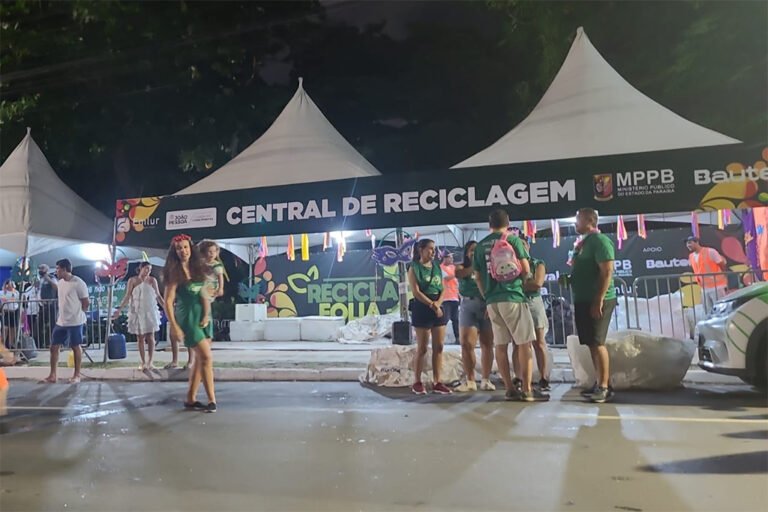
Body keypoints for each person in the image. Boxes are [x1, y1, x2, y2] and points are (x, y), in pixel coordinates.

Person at [473, 209, 547, 402]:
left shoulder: (480, 246)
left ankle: (509, 388)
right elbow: (526, 268)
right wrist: (523, 283)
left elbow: (477, 277)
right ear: (507, 223)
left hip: (492, 301)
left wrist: (487, 296)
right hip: (513, 296)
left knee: (500, 345)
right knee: (524, 343)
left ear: (489, 224)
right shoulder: (513, 240)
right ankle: (527, 389)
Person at [163, 234, 217, 412]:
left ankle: (190, 399)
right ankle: (212, 400)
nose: (183, 251)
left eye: (185, 247)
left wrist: (207, 314)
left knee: (200, 360)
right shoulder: (174, 272)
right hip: (188, 317)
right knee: (206, 357)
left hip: (204, 315)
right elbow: (168, 301)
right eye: (179, 248)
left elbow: (206, 292)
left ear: (191, 248)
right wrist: (174, 326)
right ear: (175, 252)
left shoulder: (197, 268)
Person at [568, 208, 617, 404]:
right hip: (583, 298)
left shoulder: (600, 241)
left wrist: (599, 299)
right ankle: (600, 382)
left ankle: (604, 387)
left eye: (578, 219)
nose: (575, 223)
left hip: (597, 299)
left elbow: (607, 271)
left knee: (597, 342)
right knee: (591, 343)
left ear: (589, 221)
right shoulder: (583, 243)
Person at [408, 238, 452, 395]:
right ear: (421, 250)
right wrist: (432, 305)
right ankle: (417, 381)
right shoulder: (414, 268)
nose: (433, 252)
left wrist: (438, 304)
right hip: (423, 307)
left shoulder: (437, 267)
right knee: (422, 348)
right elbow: (416, 292)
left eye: (434, 249)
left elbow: (443, 288)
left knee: (438, 346)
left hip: (438, 307)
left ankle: (437, 381)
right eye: (430, 249)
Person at [454, 241, 495, 392]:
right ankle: (470, 380)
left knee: (487, 343)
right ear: (466, 253)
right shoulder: (461, 267)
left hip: (486, 305)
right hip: (468, 305)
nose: (474, 253)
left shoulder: (489, 267)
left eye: (477, 250)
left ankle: (486, 379)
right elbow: (459, 274)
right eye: (471, 250)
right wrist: (475, 265)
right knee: (466, 344)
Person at [41, 259, 89, 384]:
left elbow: (86, 302)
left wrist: (78, 313)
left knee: (75, 346)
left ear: (64, 269)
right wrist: (46, 277)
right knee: (54, 347)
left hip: (75, 321)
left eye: (57, 268)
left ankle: (77, 375)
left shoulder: (78, 283)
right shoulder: (61, 282)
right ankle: (52, 375)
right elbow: (57, 290)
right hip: (61, 321)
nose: (56, 271)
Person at [114, 262, 164, 371]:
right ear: (141, 268)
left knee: (150, 337)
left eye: (150, 270)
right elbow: (127, 296)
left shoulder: (152, 280)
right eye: (146, 269)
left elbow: (158, 296)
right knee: (140, 337)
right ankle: (143, 362)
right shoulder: (132, 280)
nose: (148, 271)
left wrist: (166, 307)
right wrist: (119, 309)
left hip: (149, 310)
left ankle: (150, 361)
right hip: (137, 311)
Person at [521, 235, 551, 391]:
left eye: (524, 244)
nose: (521, 247)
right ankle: (521, 378)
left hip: (534, 303)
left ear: (528, 246)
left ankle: (543, 377)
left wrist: (518, 285)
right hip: (518, 303)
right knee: (520, 343)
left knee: (539, 342)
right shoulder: (513, 265)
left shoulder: (537, 263)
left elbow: (537, 284)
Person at [686, 236, 728, 313]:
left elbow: (721, 264)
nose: (688, 245)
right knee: (708, 311)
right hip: (704, 288)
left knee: (721, 309)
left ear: (697, 242)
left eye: (690, 243)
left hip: (716, 286)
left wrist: (722, 275)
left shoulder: (710, 251)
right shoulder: (691, 256)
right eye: (687, 243)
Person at [439, 252, 460, 344]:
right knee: (445, 319)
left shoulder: (453, 268)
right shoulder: (440, 268)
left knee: (456, 319)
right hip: (446, 298)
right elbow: (447, 278)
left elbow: (457, 282)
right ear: (445, 258)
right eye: (450, 257)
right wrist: (457, 273)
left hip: (454, 297)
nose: (452, 259)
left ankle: (458, 338)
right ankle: (440, 338)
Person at [37, 264, 58, 347]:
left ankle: (53, 342)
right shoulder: (40, 279)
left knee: (52, 324)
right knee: (40, 324)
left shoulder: (52, 277)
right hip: (42, 305)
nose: (40, 270)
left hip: (51, 304)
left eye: (42, 268)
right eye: (39, 268)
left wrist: (48, 279)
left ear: (47, 269)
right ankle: (41, 343)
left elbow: (56, 287)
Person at [1, 280, 20, 349]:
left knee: (13, 328)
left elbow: (19, 301)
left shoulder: (16, 292)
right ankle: (3, 344)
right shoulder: (2, 293)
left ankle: (10, 344)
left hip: (14, 311)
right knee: (5, 329)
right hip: (6, 312)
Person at [22, 280, 42, 344]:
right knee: (31, 327)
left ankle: (38, 343)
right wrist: (25, 303)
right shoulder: (29, 288)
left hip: (38, 311)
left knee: (37, 328)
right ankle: (32, 343)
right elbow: (24, 296)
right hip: (30, 311)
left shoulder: (41, 288)